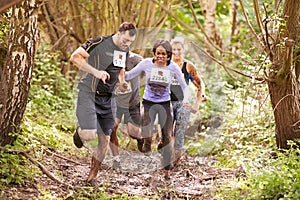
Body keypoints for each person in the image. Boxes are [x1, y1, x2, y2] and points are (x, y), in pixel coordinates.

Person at [70, 22, 137, 182]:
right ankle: (81, 131)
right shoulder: (98, 43)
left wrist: (122, 82)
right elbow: (75, 57)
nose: (126, 44)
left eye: (130, 42)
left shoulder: (125, 50)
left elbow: (120, 70)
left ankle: (92, 176)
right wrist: (96, 72)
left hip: (108, 98)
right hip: (89, 93)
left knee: (105, 138)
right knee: (89, 134)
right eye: (125, 40)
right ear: (118, 32)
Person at [124, 39, 190, 180]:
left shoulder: (173, 67)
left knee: (167, 137)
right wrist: (116, 71)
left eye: (164, 54)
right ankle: (147, 156)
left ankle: (166, 172)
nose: (160, 56)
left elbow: (184, 86)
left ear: (168, 55)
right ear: (154, 53)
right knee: (147, 136)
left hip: (165, 105)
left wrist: (186, 99)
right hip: (148, 104)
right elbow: (129, 75)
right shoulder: (146, 63)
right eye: (158, 53)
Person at [170, 37, 207, 167]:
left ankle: (176, 160)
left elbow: (199, 83)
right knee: (167, 131)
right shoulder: (166, 64)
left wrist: (198, 101)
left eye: (179, 49)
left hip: (183, 103)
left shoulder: (188, 66)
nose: (176, 52)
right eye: (173, 49)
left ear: (183, 50)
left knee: (179, 131)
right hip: (167, 102)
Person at [109, 51, 144, 169]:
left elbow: (146, 72)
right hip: (116, 102)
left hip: (132, 103)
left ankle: (140, 138)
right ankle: (116, 160)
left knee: (133, 132)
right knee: (112, 127)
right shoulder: (111, 58)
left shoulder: (136, 60)